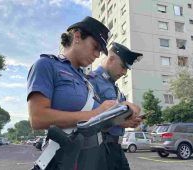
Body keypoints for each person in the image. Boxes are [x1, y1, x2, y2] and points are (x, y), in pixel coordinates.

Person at [27, 16, 141, 170]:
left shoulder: (85, 81)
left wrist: (117, 119)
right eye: (95, 47)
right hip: (64, 159)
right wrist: (97, 112)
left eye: (100, 51)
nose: (97, 55)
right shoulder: (47, 65)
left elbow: (92, 125)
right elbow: (37, 118)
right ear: (78, 37)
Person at [88, 42, 143, 170]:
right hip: (100, 148)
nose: (124, 72)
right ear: (111, 59)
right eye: (123, 67)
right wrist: (121, 120)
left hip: (116, 148)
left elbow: (115, 118)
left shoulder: (115, 88)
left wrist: (129, 121)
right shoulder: (92, 80)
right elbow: (90, 118)